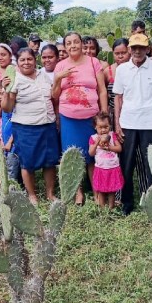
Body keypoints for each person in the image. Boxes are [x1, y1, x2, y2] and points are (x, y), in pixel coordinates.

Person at [113, 33, 152, 215]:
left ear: (147, 49)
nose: (137, 51)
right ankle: (126, 202)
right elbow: (118, 98)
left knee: (150, 165)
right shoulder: (122, 70)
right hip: (128, 122)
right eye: (134, 48)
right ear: (129, 49)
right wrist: (117, 124)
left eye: (141, 48)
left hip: (151, 122)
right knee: (126, 164)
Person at [52, 31, 108, 204]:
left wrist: (104, 115)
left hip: (91, 117)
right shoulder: (60, 66)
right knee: (72, 154)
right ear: (65, 46)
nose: (73, 46)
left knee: (92, 154)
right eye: (68, 43)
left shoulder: (93, 62)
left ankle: (97, 191)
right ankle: (78, 192)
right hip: (68, 118)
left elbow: (102, 90)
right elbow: (54, 95)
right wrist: (58, 79)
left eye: (76, 42)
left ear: (81, 43)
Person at [1, 48, 60, 205]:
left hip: (47, 124)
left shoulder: (43, 75)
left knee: (50, 161)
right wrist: (6, 91)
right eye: (22, 60)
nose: (26, 62)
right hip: (25, 127)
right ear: (17, 62)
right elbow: (7, 108)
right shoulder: (14, 79)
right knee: (28, 162)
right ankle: (32, 195)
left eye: (29, 59)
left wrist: (56, 118)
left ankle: (50, 193)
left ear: (35, 60)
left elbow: (53, 97)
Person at [88, 113, 123, 209]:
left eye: (106, 127)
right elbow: (91, 153)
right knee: (101, 190)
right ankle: (102, 208)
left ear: (110, 126)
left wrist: (110, 148)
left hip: (113, 167)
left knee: (112, 190)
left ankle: (111, 208)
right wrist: (96, 143)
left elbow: (119, 148)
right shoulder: (93, 138)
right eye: (100, 127)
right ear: (95, 127)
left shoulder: (112, 135)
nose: (103, 130)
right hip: (100, 168)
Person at [106, 38, 130, 131]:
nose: (120, 56)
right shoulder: (108, 71)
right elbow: (102, 92)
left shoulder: (136, 70)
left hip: (131, 113)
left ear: (130, 51)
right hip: (113, 114)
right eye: (117, 53)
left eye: (123, 53)